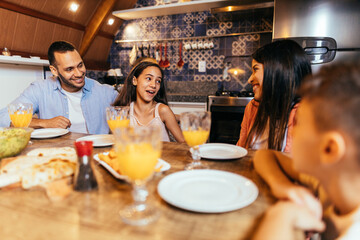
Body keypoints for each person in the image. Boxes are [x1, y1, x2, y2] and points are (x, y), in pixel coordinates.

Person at [252, 62, 360, 240]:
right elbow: (266, 155)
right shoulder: (329, 182)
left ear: (329, 149)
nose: (292, 130)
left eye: (299, 122)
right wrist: (282, 186)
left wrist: (281, 215)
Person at [0, 41, 118, 134]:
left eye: (80, 65)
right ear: (54, 71)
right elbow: (3, 118)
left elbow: (133, 109)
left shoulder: (105, 92)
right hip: (56, 155)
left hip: (96, 154)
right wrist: (44, 123)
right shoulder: (40, 89)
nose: (78, 73)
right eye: (69, 69)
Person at [236, 40, 312, 152]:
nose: (250, 79)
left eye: (255, 69)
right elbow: (240, 151)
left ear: (277, 71)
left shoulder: (306, 114)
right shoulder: (252, 108)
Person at [113, 61, 184, 142]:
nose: (153, 85)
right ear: (134, 80)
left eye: (158, 81)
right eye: (148, 78)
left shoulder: (163, 111)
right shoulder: (125, 112)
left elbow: (184, 144)